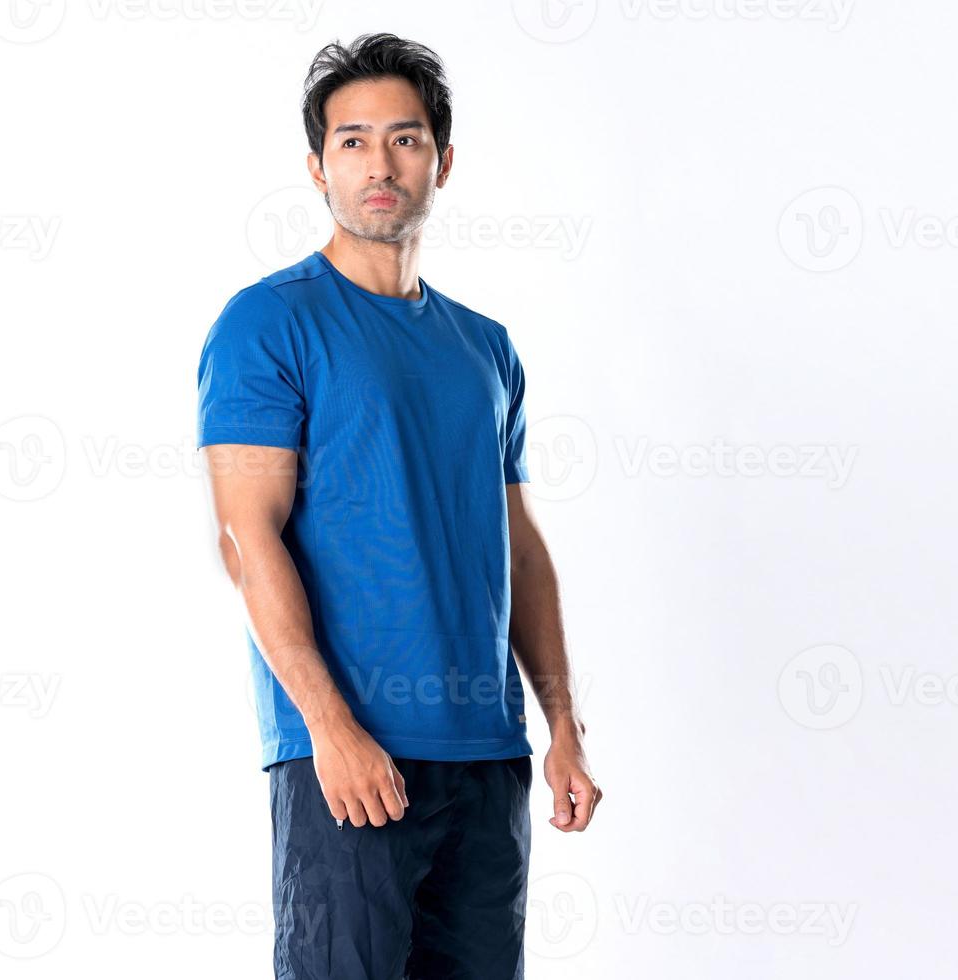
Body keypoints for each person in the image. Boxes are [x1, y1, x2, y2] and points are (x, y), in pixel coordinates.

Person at [195, 32, 600, 980]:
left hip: (486, 754)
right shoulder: (270, 320)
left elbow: (521, 548)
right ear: (316, 166)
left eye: (406, 139)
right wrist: (330, 729)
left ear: (442, 161)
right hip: (347, 757)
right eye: (352, 141)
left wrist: (562, 727)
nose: (380, 164)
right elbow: (244, 535)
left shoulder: (486, 348)